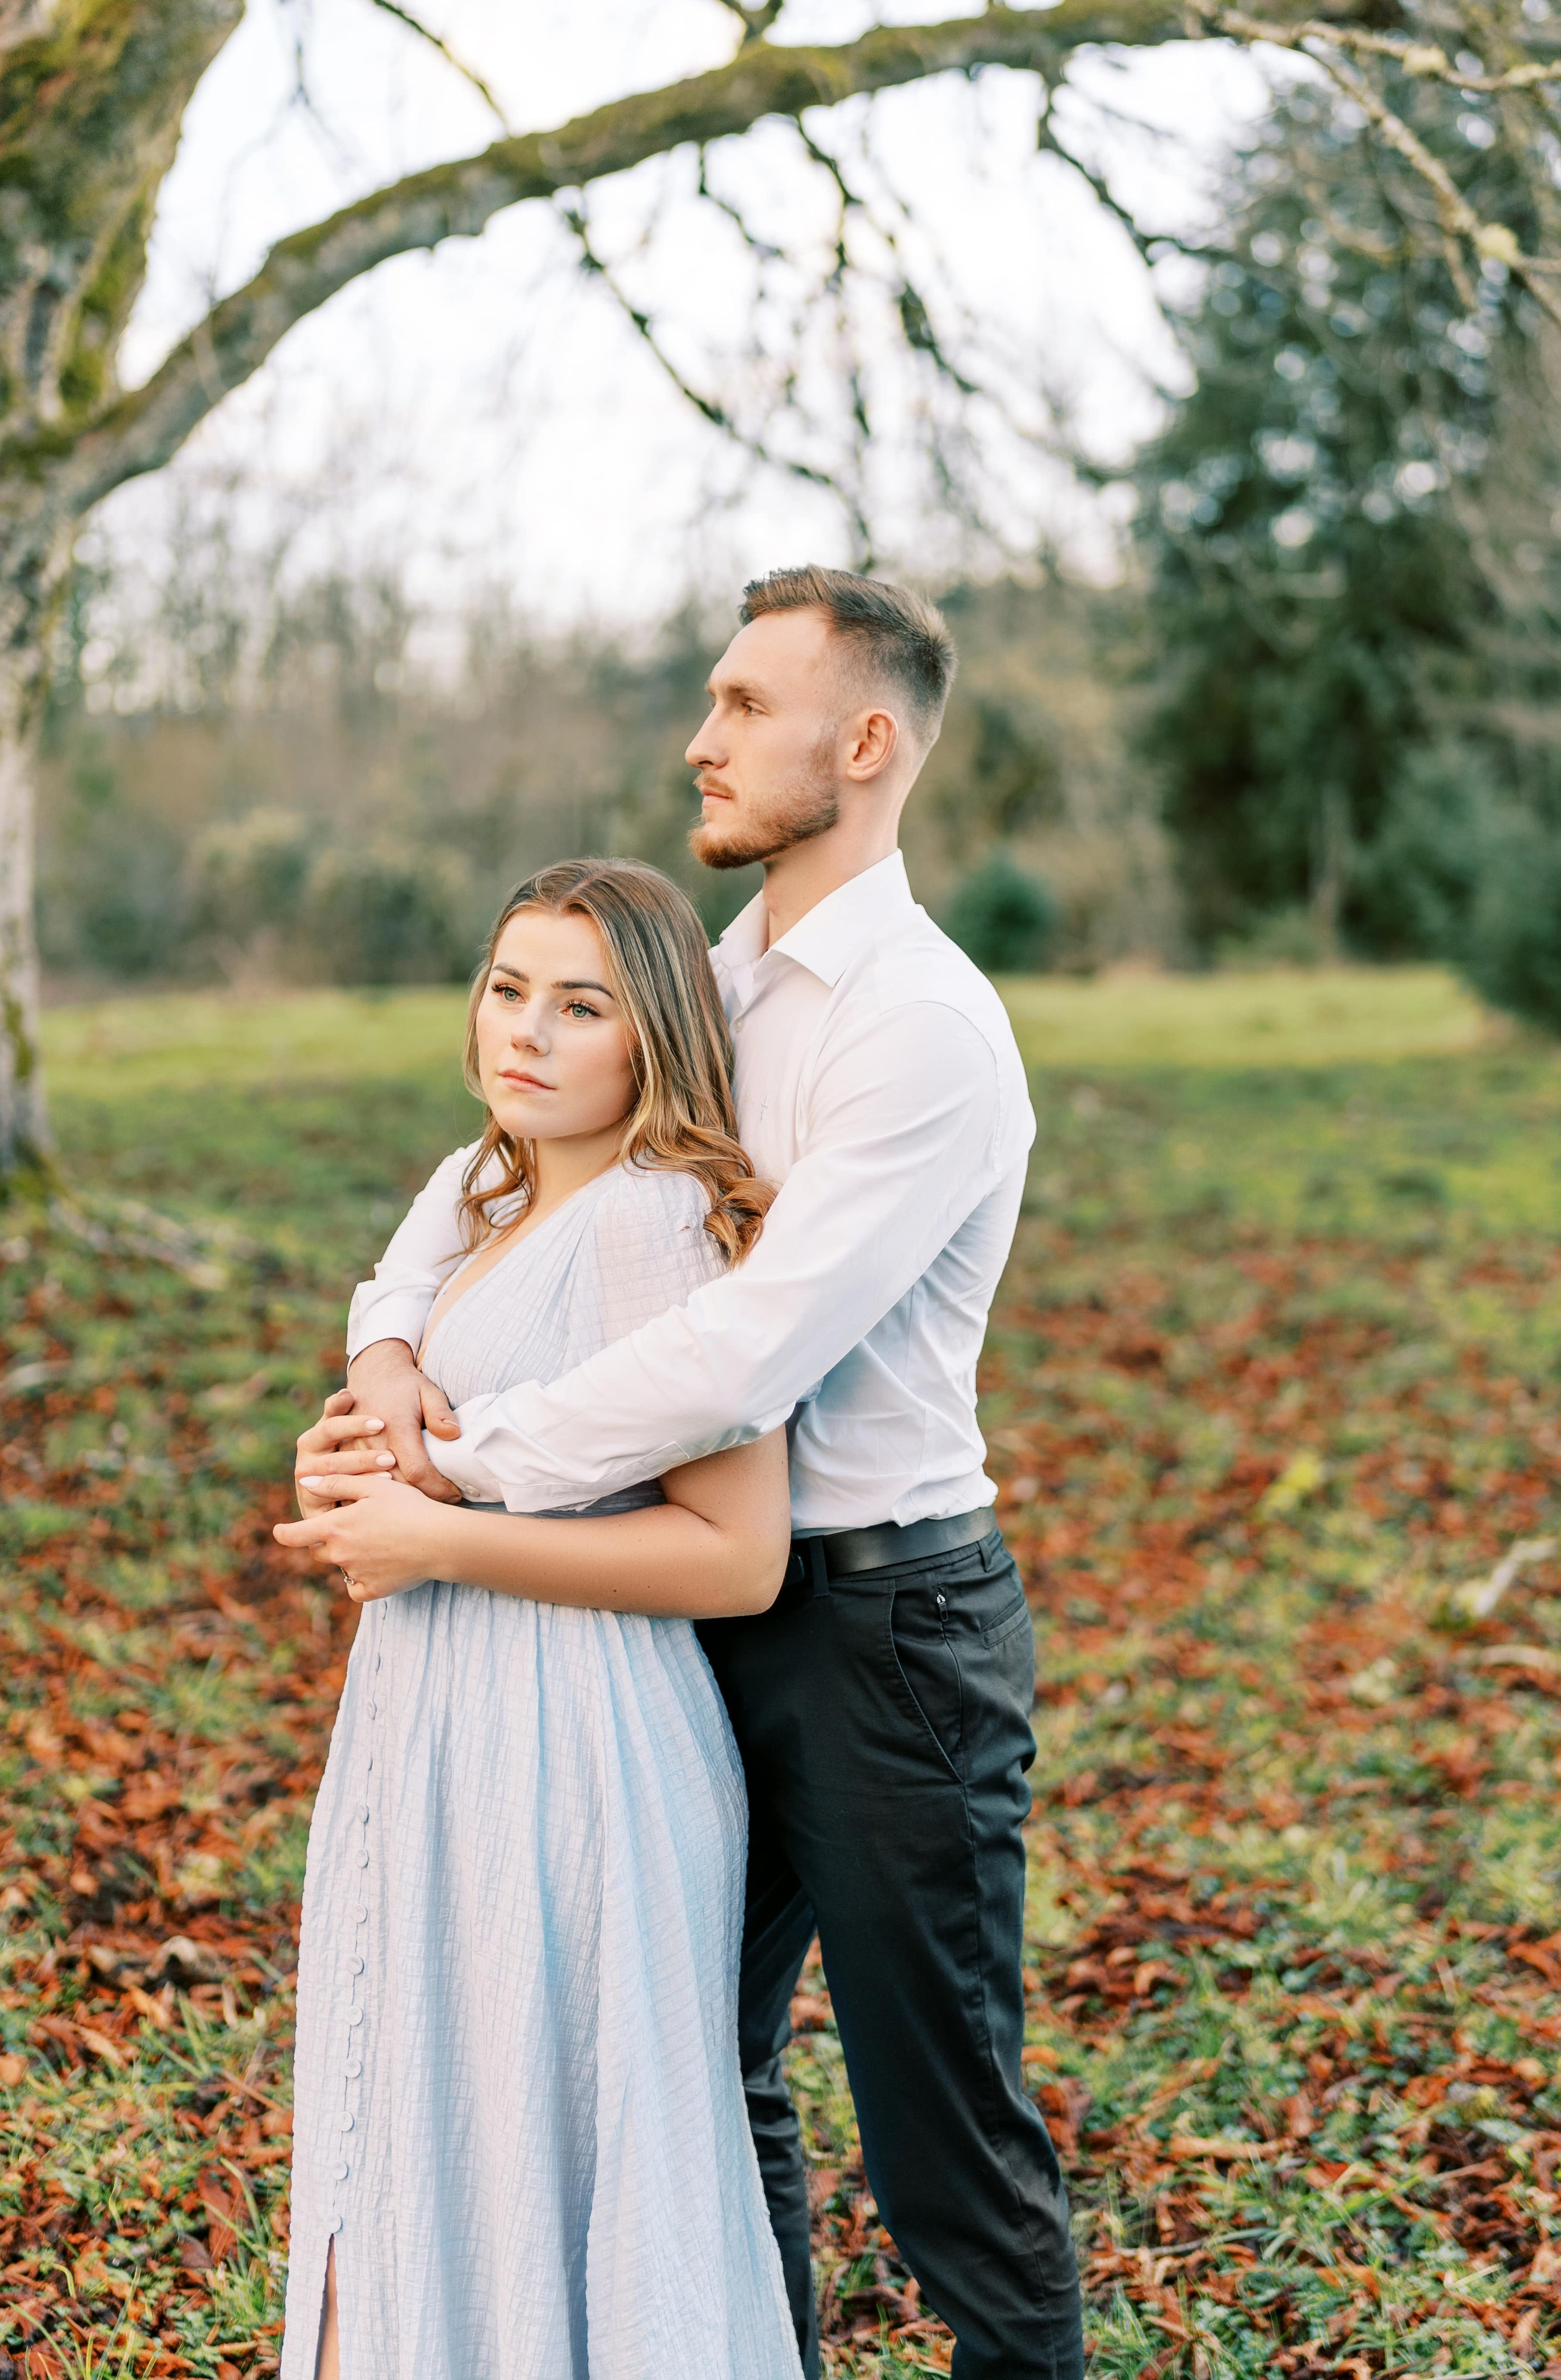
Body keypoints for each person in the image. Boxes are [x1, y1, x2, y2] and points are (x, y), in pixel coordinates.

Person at [329, 566, 1086, 2380]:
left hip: (885, 1627)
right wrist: (390, 1369)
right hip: (668, 1621)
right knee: (687, 2069)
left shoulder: (920, 1025)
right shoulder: (707, 982)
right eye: (716, 698)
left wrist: (464, 1482)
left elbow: (753, 1351)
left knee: (946, 2152)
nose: (703, 736)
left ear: (870, 741)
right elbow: (491, 1188)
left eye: (750, 705)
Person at [272, 860, 802, 2380]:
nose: (526, 1031)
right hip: (426, 1719)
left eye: (581, 1005)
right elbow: (397, 1324)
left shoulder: (659, 1223)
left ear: (655, 1040)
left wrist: (440, 1537)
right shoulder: (486, 1183)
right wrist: (368, 1415)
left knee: (553, 2131)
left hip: (578, 1735)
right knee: (422, 2108)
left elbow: (734, 1554)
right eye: (507, 988)